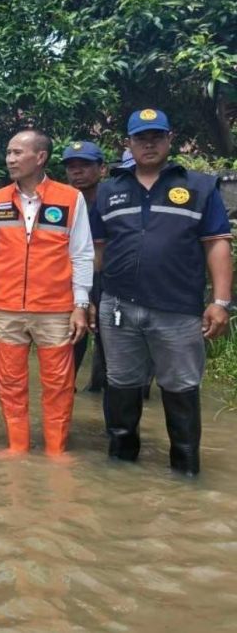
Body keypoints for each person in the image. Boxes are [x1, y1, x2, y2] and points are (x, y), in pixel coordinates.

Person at [91, 109, 232, 476]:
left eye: (156, 136)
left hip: (178, 310)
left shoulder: (200, 186)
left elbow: (216, 244)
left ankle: (185, 472)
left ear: (170, 138)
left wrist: (220, 302)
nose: (148, 143)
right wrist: (86, 301)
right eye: (140, 138)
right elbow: (97, 251)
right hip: (118, 308)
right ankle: (121, 470)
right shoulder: (109, 190)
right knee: (120, 384)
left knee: (181, 386)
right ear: (129, 144)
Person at [0, 129, 93, 457]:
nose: (10, 159)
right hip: (6, 306)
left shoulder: (69, 197)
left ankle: (56, 450)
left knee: (58, 383)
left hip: (55, 308)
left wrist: (81, 303)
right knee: (10, 381)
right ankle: (17, 447)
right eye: (8, 153)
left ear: (40, 157)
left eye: (17, 152)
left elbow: (81, 254)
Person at [61, 141, 108, 392]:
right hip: (70, 285)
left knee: (111, 348)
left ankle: (100, 394)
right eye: (71, 166)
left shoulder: (114, 202)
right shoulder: (60, 204)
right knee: (70, 345)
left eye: (85, 165)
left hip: (108, 283)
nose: (77, 171)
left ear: (102, 169)